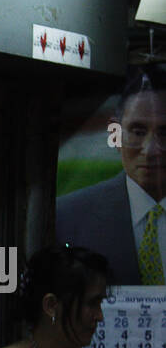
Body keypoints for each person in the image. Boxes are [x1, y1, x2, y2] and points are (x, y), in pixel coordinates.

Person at [56, 63, 166, 288]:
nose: (150, 149)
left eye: (165, 133)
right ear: (115, 134)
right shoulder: (68, 217)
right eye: (138, 132)